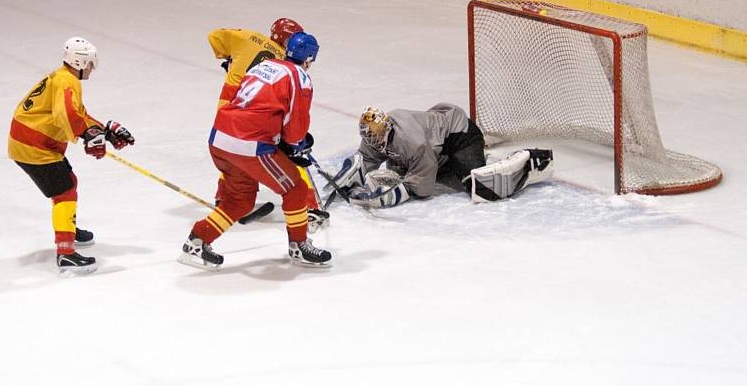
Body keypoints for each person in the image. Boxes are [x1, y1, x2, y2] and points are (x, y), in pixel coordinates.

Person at [180, 31, 332, 269]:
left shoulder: (263, 66)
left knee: (239, 200)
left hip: (220, 138)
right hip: (250, 144)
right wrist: (296, 146)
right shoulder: (299, 76)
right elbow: (296, 124)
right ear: (310, 58)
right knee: (295, 188)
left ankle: (198, 240)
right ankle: (299, 246)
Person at [8, 37, 135, 274]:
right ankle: (65, 253)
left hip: (31, 142)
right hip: (33, 147)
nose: (91, 69)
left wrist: (103, 131)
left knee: (68, 184)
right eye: (90, 65)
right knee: (64, 191)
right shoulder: (68, 82)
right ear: (80, 61)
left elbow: (77, 113)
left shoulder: (64, 77)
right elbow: (65, 115)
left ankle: (67, 226)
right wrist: (89, 135)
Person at [206, 19, 325, 226]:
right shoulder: (286, 63)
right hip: (259, 115)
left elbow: (215, 36)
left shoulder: (248, 37)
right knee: (285, 156)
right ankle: (307, 205)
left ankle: (224, 197)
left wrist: (231, 59)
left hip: (229, 108)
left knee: (234, 155)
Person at [331, 103, 553, 208]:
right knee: (401, 170)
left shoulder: (412, 141)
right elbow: (366, 159)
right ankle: (446, 164)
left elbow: (423, 187)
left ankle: (531, 161)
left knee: (482, 186)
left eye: (377, 136)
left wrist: (393, 195)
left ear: (388, 127)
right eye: (370, 137)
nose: (373, 141)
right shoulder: (375, 134)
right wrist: (348, 179)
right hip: (436, 144)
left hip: (459, 136)